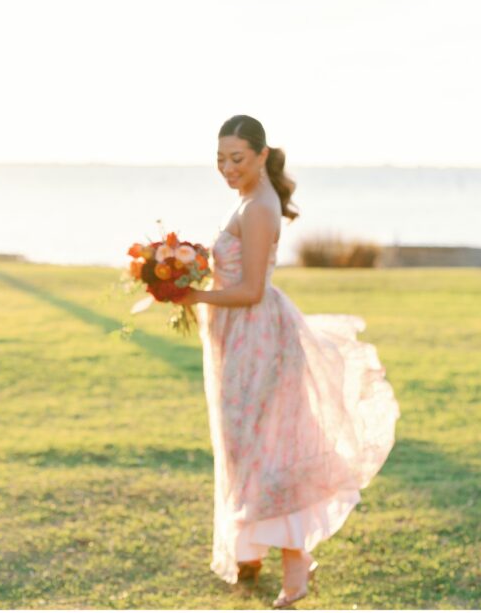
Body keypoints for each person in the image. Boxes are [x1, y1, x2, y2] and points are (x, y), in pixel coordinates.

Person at [172, 115, 400, 608]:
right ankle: (248, 552)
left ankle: (297, 567)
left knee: (268, 450)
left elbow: (252, 290)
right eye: (220, 160)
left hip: (256, 337)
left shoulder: (258, 207)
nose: (228, 168)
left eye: (237, 159)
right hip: (238, 337)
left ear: (260, 155)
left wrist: (194, 296)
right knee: (241, 445)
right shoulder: (249, 198)